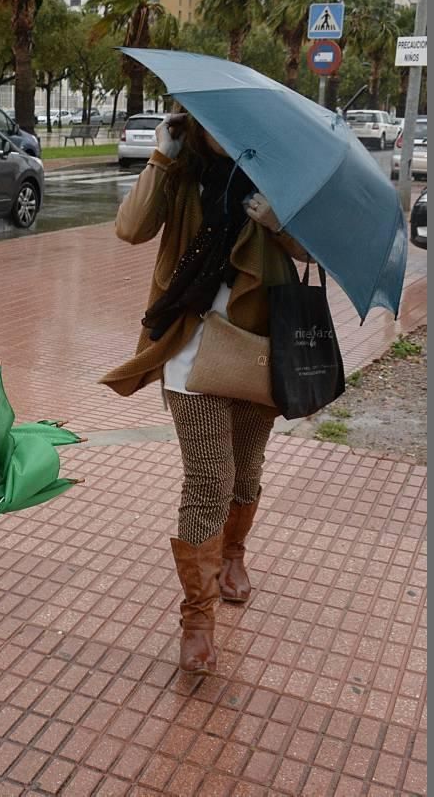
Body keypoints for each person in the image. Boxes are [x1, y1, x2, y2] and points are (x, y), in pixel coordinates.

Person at [100, 113, 310, 675]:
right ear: (193, 120)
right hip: (188, 345)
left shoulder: (277, 173)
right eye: (209, 120)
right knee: (208, 478)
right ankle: (198, 616)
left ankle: (234, 557)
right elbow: (131, 227)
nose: (223, 130)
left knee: (246, 467)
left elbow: (313, 251)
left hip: (258, 346)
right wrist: (161, 153)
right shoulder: (182, 171)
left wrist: (276, 221)